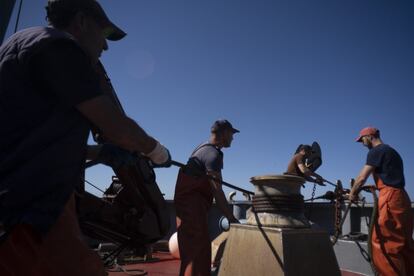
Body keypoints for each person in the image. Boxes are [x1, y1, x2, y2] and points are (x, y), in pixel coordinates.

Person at [0, 0, 170, 275]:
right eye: (103, 35)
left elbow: (31, 137)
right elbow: (116, 127)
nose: (105, 46)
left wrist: (96, 153)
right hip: (33, 208)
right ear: (81, 21)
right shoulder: (60, 46)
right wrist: (155, 150)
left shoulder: (20, 43)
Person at [174, 119, 240, 276]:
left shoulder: (202, 148)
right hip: (192, 208)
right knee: (198, 253)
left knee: (191, 253)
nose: (233, 138)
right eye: (231, 134)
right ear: (224, 133)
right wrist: (231, 217)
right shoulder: (213, 155)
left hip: (185, 208)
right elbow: (217, 190)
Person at [349, 127, 414, 276]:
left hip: (390, 198)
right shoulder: (394, 152)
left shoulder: (376, 151)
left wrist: (352, 193)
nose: (362, 143)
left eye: (362, 139)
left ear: (370, 137)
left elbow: (361, 178)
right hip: (402, 198)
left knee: (384, 244)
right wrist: (376, 187)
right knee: (404, 244)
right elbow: (391, 177)